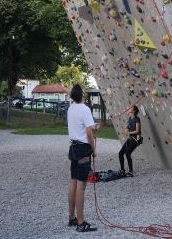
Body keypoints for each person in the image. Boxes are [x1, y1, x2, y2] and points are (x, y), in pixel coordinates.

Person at [67, 84, 98, 232]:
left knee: (73, 182)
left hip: (73, 147)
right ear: (82, 95)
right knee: (81, 185)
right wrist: (93, 150)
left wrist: (93, 126)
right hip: (83, 150)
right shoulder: (85, 109)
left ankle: (72, 217)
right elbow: (89, 134)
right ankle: (81, 222)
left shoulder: (71, 108)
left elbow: (84, 127)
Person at [118, 105, 142, 177]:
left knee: (127, 153)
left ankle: (131, 172)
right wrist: (126, 129)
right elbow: (127, 127)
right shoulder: (130, 118)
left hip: (136, 139)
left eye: (131, 107)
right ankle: (122, 170)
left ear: (134, 111)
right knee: (120, 153)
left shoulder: (137, 119)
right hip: (131, 138)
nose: (129, 108)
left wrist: (128, 132)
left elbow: (137, 131)